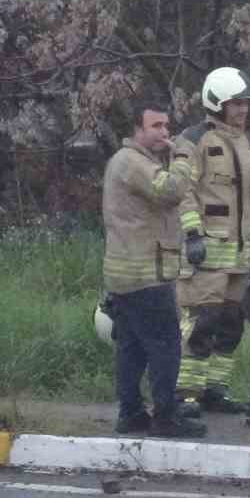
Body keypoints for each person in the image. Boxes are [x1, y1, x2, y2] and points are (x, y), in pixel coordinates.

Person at [101, 104, 206, 438]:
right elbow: (171, 191)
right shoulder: (132, 162)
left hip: (128, 274)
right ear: (137, 130)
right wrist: (185, 156)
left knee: (132, 347)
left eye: (167, 126)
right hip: (145, 273)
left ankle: (130, 413)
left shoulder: (134, 161)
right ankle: (165, 416)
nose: (164, 132)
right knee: (166, 345)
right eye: (156, 126)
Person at [172, 67, 250, 418]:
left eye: (245, 103)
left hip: (241, 256)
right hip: (206, 255)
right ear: (217, 103)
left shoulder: (247, 145)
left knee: (232, 325)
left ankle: (215, 391)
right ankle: (185, 395)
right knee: (202, 324)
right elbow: (181, 191)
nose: (243, 110)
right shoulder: (194, 140)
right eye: (236, 104)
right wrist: (192, 234)